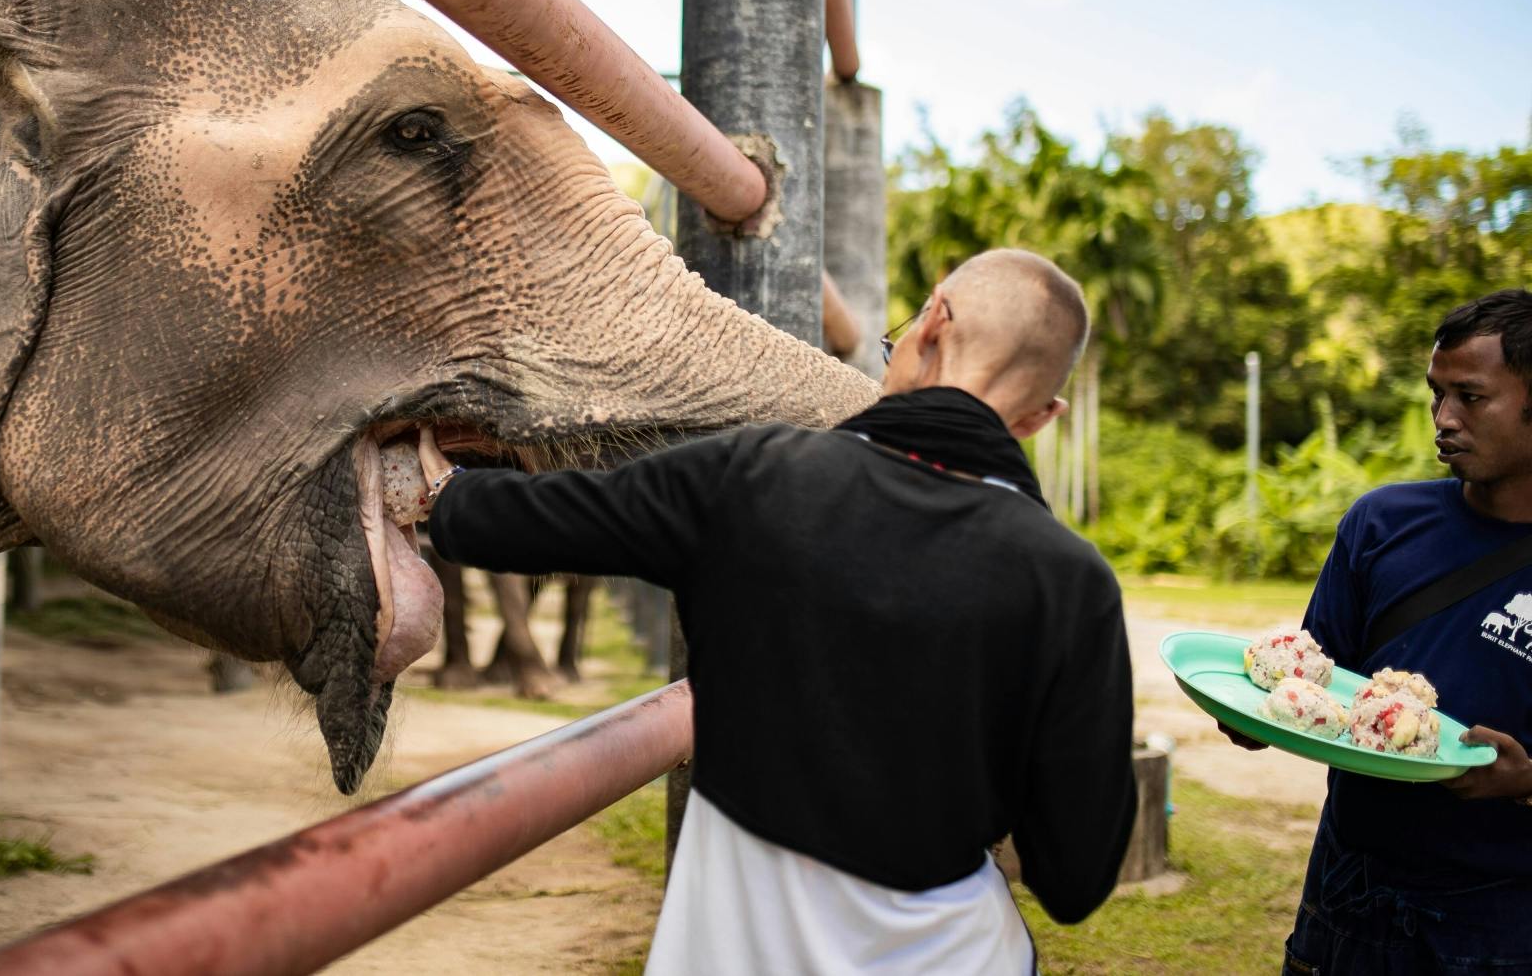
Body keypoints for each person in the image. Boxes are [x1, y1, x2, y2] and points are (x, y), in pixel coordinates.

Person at [416, 249, 1136, 974]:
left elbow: (535, 517)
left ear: (934, 322)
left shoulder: (752, 477)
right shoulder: (1073, 585)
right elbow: (1073, 878)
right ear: (1042, 416)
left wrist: (437, 489)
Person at [1241, 289, 1532, 974]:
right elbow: (1315, 682)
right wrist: (1264, 715)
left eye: (1470, 396)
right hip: (1346, 893)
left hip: (1497, 924)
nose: (1443, 418)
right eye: (1436, 394)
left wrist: (1525, 779)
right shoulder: (1381, 522)